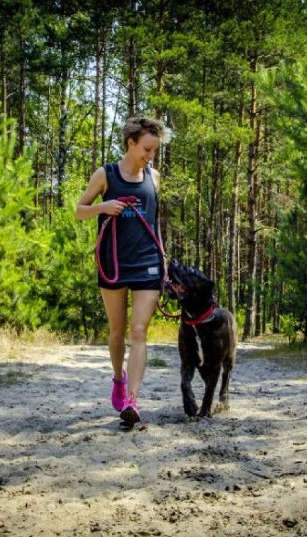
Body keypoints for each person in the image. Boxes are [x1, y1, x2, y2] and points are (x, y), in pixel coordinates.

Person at [75, 116, 172, 426]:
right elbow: (79, 211)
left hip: (147, 262)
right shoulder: (105, 175)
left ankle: (132, 399)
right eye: (146, 149)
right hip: (113, 262)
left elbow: (155, 221)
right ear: (131, 143)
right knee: (117, 331)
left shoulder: (154, 177)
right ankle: (118, 378)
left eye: (154, 151)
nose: (150, 156)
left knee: (139, 331)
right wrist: (104, 207)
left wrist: (163, 256)